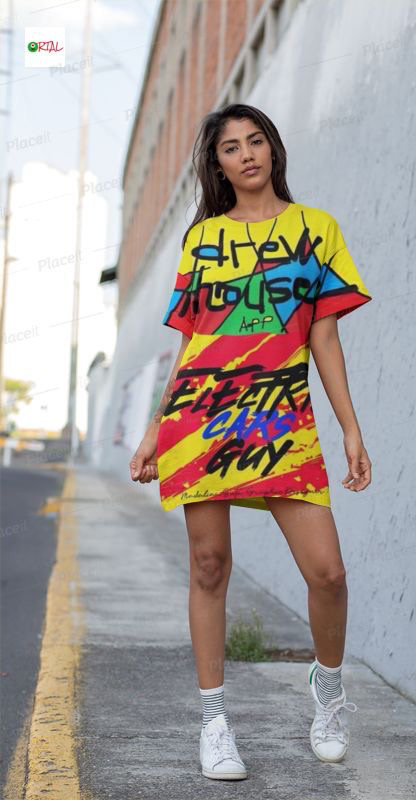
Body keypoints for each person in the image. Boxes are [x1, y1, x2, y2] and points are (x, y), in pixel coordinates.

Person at [129, 103, 373, 781]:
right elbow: (190, 344)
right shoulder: (202, 239)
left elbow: (324, 338)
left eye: (255, 140)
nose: (247, 154)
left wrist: (350, 428)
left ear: (273, 149)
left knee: (328, 573)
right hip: (201, 418)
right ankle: (214, 723)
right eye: (231, 147)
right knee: (210, 567)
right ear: (218, 166)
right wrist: (155, 429)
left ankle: (328, 692)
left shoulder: (315, 230)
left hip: (279, 420)